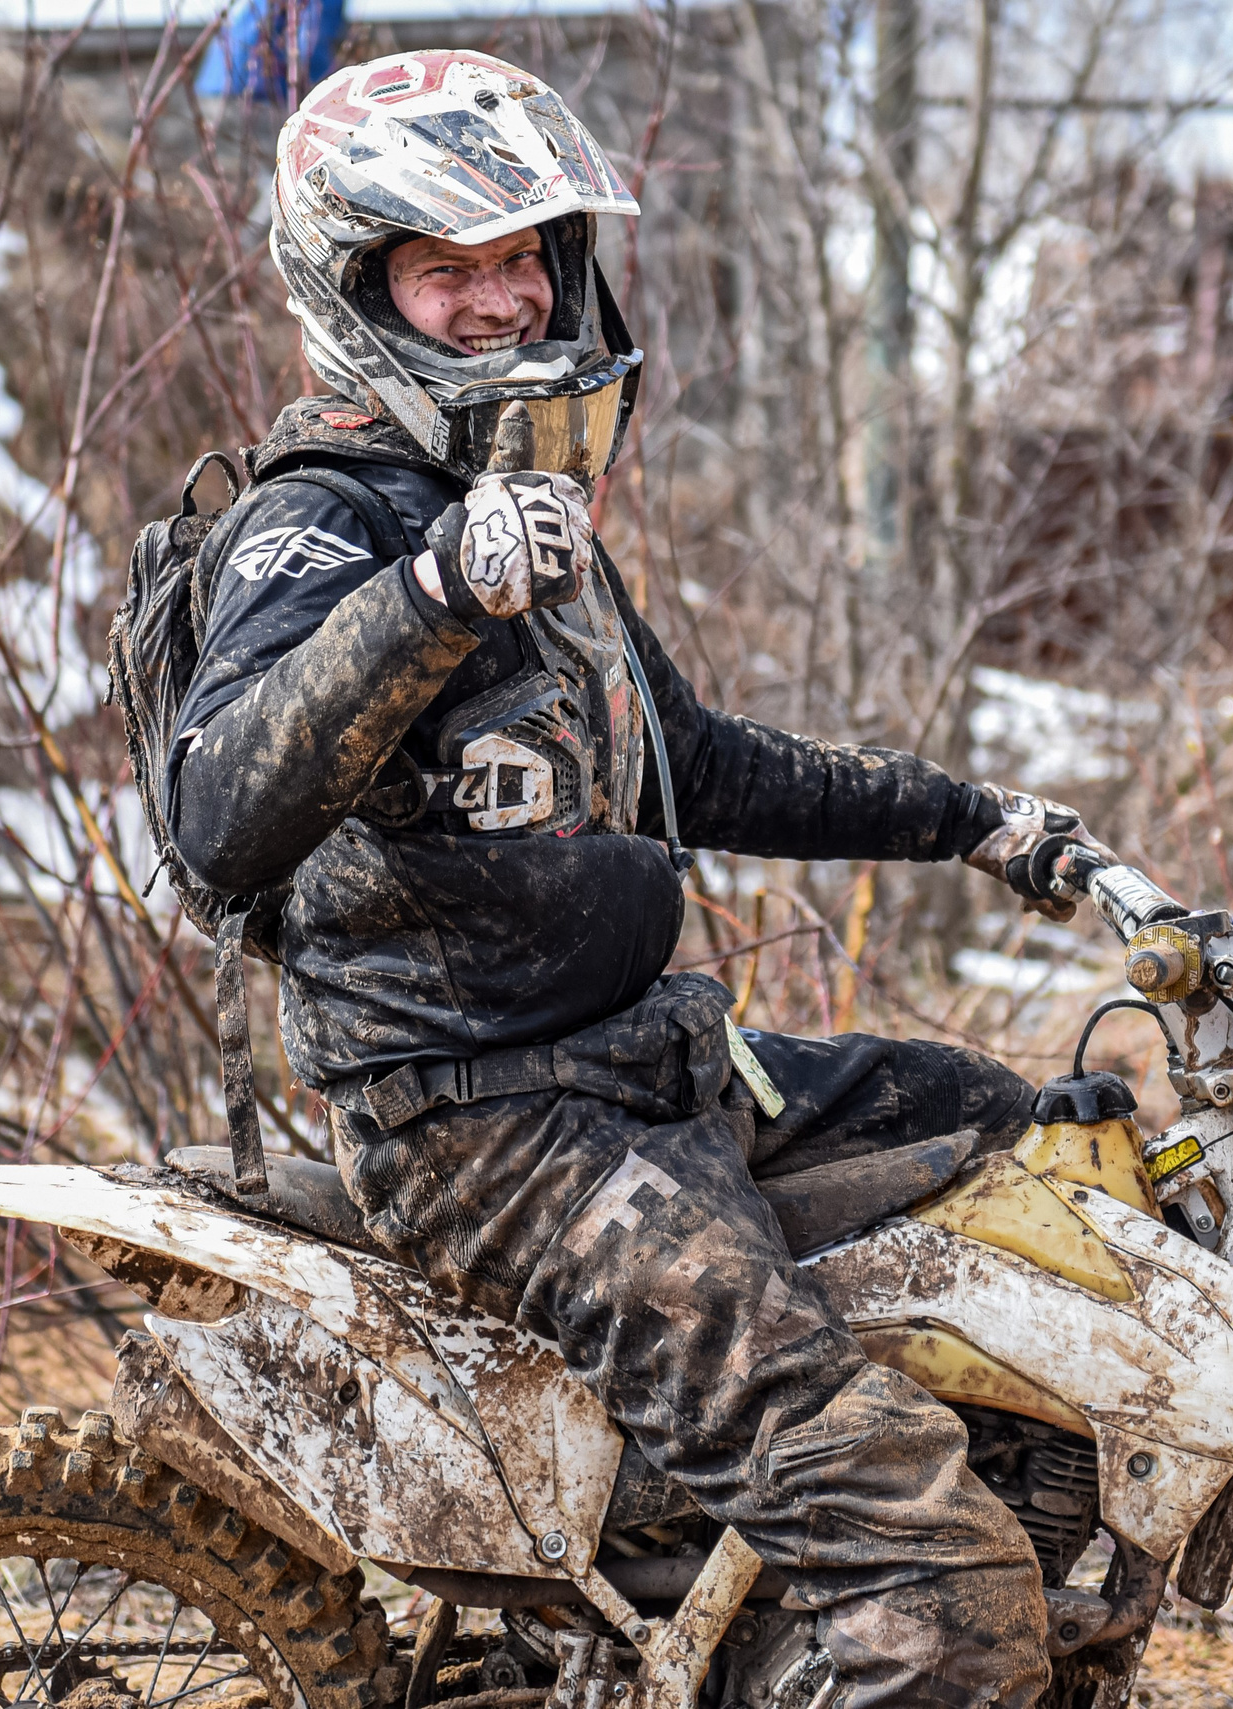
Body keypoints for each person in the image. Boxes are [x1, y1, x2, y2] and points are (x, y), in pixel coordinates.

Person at [167, 50, 1101, 1709]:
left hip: (648, 1065)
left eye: (526, 257)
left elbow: (692, 755)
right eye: (449, 267)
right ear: (359, 286)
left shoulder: (526, 503)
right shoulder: (323, 521)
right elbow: (218, 809)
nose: (503, 296)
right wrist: (432, 591)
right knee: (943, 1583)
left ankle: (707, 1575)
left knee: (1020, 1144)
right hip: (497, 1127)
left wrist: (977, 818)